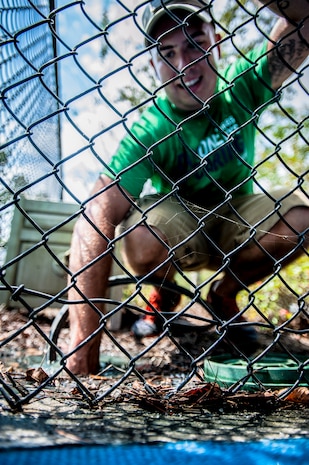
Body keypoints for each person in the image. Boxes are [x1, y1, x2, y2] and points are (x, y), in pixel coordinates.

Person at [67, 0, 309, 375]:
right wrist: (83, 355)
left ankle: (224, 296)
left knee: (301, 218)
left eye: (195, 43)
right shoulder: (150, 129)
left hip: (234, 215)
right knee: (141, 233)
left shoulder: (241, 85)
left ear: (217, 43)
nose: (185, 64)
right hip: (178, 220)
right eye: (168, 53)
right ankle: (163, 292)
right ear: (154, 67)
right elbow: (98, 213)